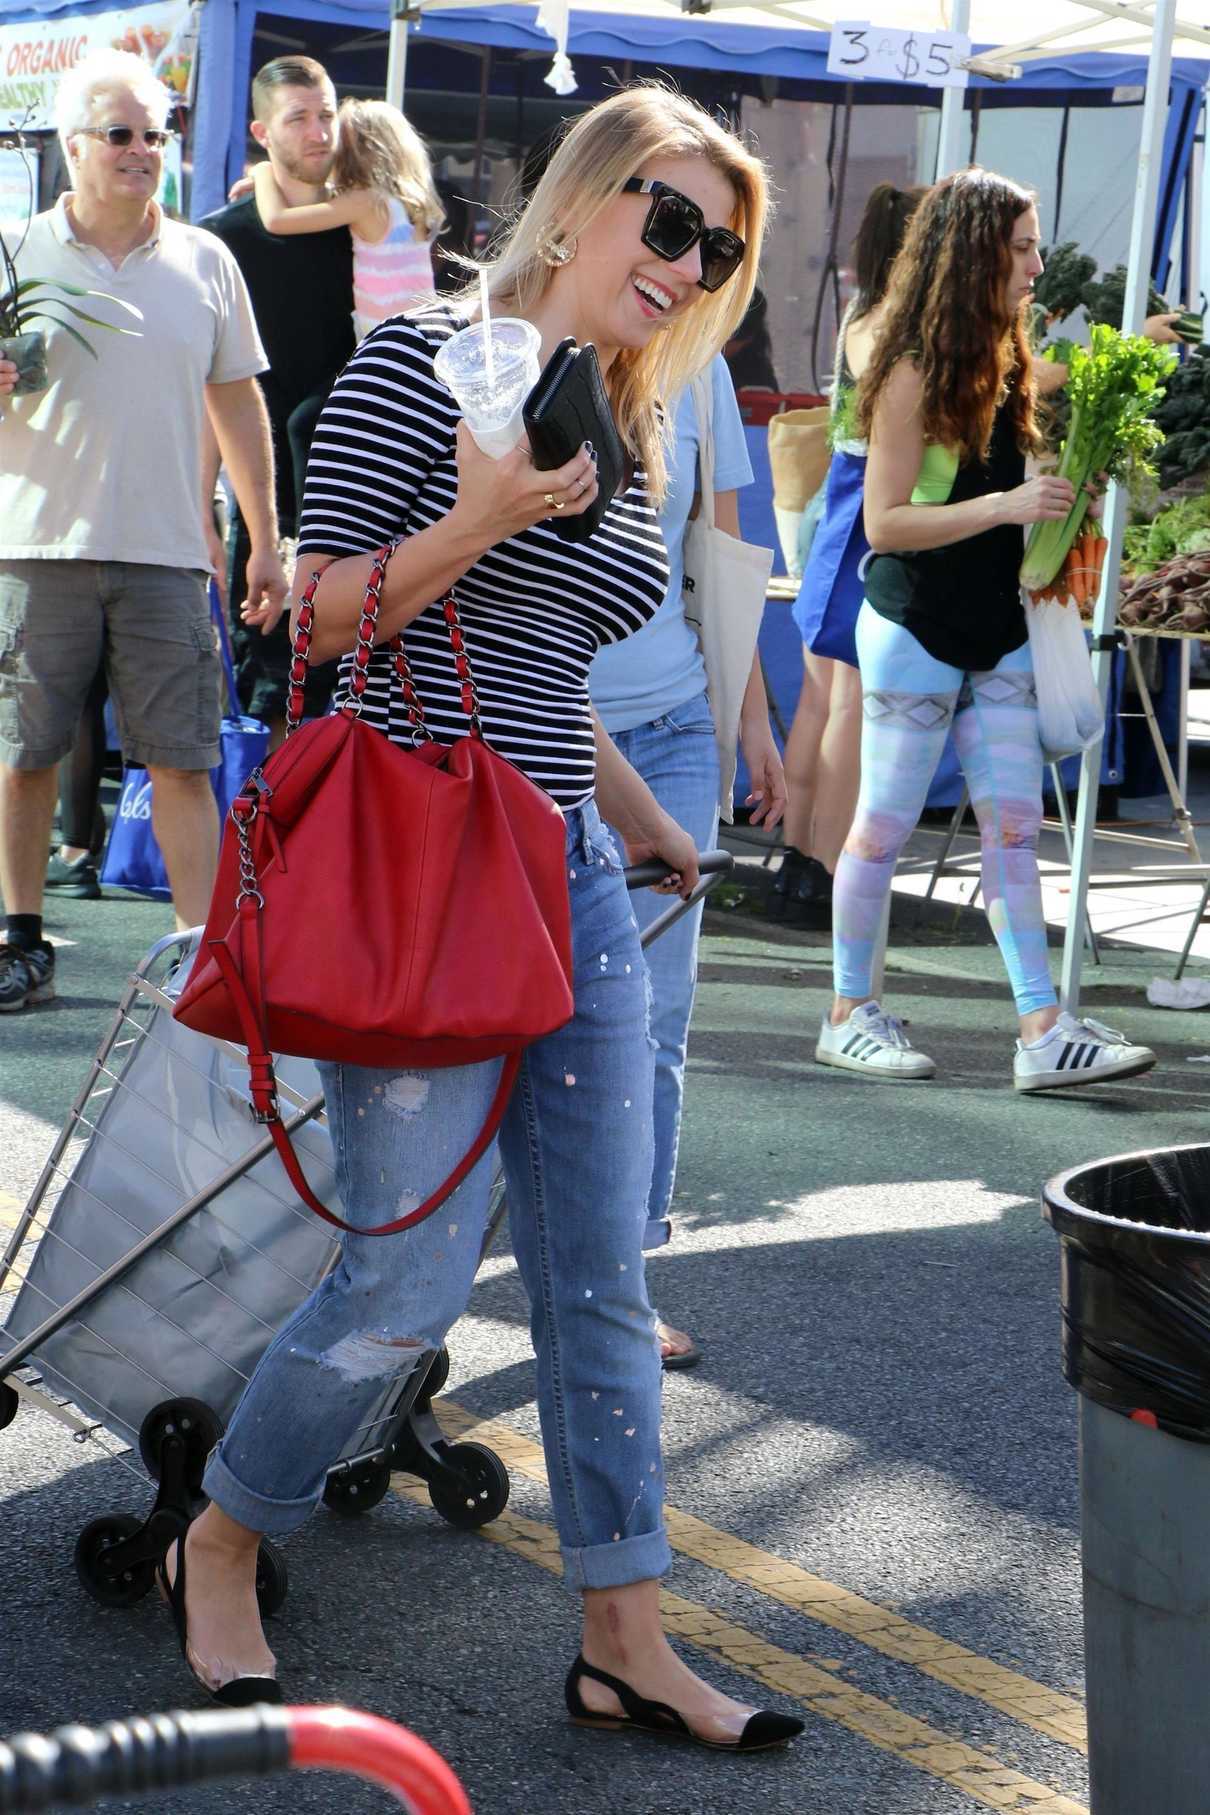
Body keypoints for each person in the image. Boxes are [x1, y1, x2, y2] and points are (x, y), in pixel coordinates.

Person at [157, 85, 804, 1754]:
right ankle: (220, 1537)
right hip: (418, 865)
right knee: (402, 1288)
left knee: (598, 1274)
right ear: (583, 199)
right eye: (666, 221)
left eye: (716, 249)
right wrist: (486, 514)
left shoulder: (638, 414)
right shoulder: (423, 361)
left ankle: (624, 1638)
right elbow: (321, 616)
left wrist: (647, 822)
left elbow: (542, 666)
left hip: (564, 861)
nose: (686, 265)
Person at [815, 167, 1157, 1093]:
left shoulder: (1001, 353)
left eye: (1037, 244)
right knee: (881, 830)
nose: (1037, 264)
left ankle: (1042, 1028)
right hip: (912, 619)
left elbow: (1013, 457)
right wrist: (1008, 504)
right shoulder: (908, 368)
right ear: (974, 254)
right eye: (1021, 247)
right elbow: (884, 524)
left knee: (1013, 830)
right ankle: (847, 1011)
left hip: (994, 624)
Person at [0, 49, 285, 1011]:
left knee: (184, 758)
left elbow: (240, 409)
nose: (140, 152)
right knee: (21, 753)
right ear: (72, 144)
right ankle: (18, 934)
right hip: (32, 545)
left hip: (167, 551)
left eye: (153, 135)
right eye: (119, 135)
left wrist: (266, 540)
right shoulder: (10, 252)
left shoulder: (207, 259)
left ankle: (203, 955)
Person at [590, 353, 785, 1368]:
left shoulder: (701, 363)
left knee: (656, 1018)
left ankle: (621, 1278)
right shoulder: (529, 338)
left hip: (671, 727)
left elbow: (720, 553)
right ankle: (447, 1265)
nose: (690, 263)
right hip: (536, 729)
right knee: (504, 1007)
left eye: (715, 248)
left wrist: (751, 720)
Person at [773, 182, 924, 928]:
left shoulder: (867, 314)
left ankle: (801, 859)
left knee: (823, 700)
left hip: (844, 511)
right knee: (844, 704)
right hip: (860, 513)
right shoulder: (892, 322)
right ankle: (823, 865)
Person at [201, 55, 354, 740]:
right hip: (267, 514)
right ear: (263, 131)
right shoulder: (223, 239)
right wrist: (199, 502)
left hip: (363, 507)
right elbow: (209, 384)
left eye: (327, 114)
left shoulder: (369, 224)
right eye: (299, 119)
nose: (319, 132)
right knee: (265, 700)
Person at [252, 97, 443, 341]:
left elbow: (277, 220)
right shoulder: (408, 201)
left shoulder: (366, 201)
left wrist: (262, 172)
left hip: (390, 340)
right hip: (423, 330)